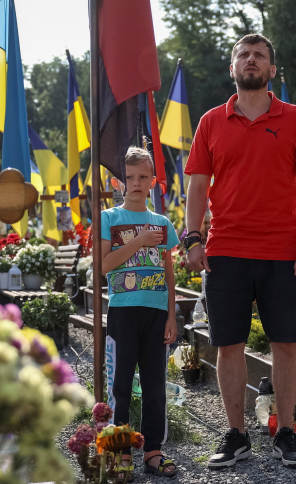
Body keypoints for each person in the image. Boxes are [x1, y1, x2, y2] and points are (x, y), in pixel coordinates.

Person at [184, 33, 296, 469]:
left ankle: (286, 432)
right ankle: (237, 434)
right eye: (243, 55)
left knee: (286, 345)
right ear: (232, 68)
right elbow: (196, 187)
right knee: (229, 345)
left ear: (271, 70)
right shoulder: (210, 121)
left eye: (259, 55)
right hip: (225, 250)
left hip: (283, 250)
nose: (250, 60)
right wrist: (191, 237)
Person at [100, 147, 181, 479]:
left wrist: (173, 316)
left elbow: (169, 272)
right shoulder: (109, 218)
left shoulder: (162, 224)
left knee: (155, 385)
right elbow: (104, 266)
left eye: (142, 177)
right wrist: (138, 241)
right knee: (119, 384)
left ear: (153, 181)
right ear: (120, 182)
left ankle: (153, 451)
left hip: (156, 313)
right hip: (122, 311)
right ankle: (117, 454)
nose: (136, 183)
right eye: (130, 177)